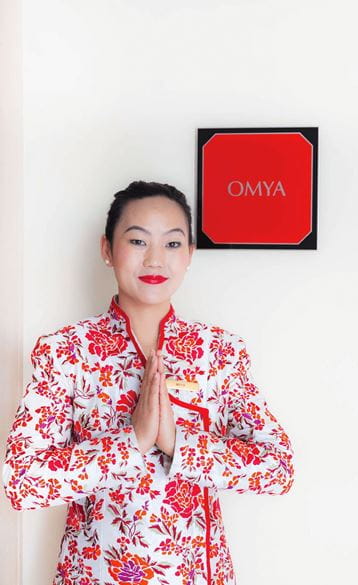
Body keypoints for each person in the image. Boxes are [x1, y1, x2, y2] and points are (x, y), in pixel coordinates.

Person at [2, 180, 295, 585]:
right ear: (107, 249)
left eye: (173, 244)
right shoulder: (66, 351)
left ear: (190, 254)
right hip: (95, 575)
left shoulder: (219, 352)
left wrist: (179, 446)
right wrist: (132, 441)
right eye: (138, 241)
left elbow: (278, 468)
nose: (155, 259)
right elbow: (23, 483)